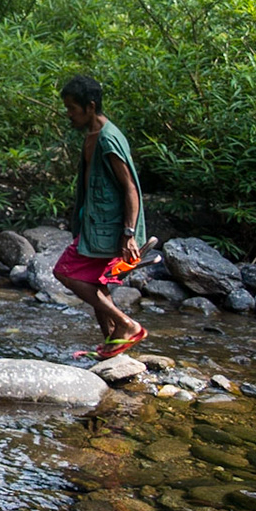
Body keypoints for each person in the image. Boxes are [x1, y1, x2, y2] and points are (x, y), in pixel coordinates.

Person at [53, 75, 148, 358]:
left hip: (110, 230)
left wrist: (129, 234)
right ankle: (113, 345)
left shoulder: (108, 140)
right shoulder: (92, 136)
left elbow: (130, 188)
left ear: (90, 107)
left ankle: (126, 324)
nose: (68, 114)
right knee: (96, 284)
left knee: (64, 272)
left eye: (72, 108)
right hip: (94, 226)